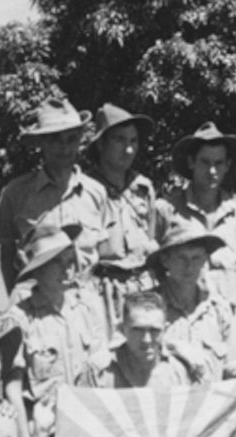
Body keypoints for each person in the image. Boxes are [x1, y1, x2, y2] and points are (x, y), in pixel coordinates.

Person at [0, 98, 110, 302]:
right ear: (41, 142)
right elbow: (7, 254)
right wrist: (16, 301)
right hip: (37, 301)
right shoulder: (17, 193)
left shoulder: (96, 192)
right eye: (55, 139)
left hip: (87, 301)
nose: (64, 148)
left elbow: (103, 257)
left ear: (81, 140)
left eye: (71, 138)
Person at [1, 224, 107, 437]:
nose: (67, 270)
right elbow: (12, 388)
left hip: (90, 422)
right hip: (44, 428)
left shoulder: (89, 308)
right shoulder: (19, 319)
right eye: (56, 263)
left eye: (69, 261)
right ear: (37, 270)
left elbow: (103, 369)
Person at [85, 103, 162, 324]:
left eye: (133, 141)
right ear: (101, 144)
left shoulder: (143, 187)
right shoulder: (87, 189)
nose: (128, 149)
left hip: (143, 287)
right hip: (104, 289)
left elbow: (150, 239)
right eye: (119, 140)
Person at [159, 122, 236, 311]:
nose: (212, 172)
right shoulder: (167, 209)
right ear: (191, 162)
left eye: (218, 163)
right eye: (205, 162)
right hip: (179, 317)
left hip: (225, 321)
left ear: (227, 165)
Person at [146, 221, 236, 382]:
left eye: (196, 258)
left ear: (205, 261)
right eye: (181, 258)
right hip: (163, 401)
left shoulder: (220, 310)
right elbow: (128, 357)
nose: (189, 266)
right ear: (166, 261)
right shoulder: (148, 308)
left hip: (211, 401)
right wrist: (173, 347)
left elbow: (234, 368)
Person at [76, 291, 197, 388]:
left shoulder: (178, 372)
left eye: (154, 331)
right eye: (138, 330)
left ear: (165, 330)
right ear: (123, 330)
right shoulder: (99, 372)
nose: (147, 340)